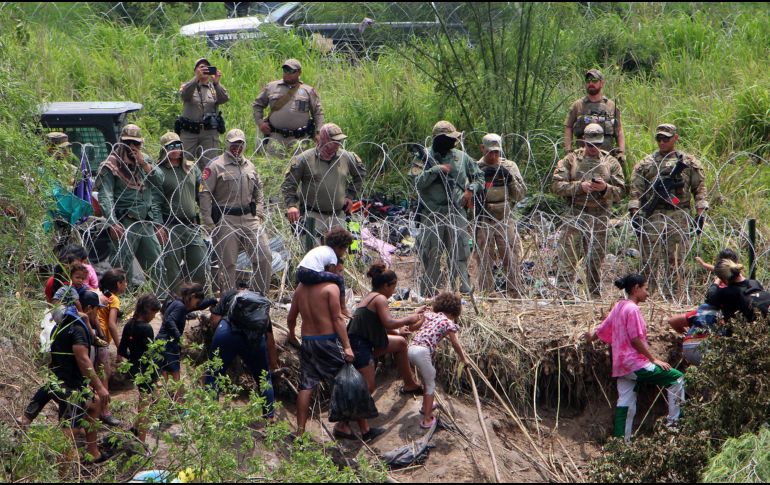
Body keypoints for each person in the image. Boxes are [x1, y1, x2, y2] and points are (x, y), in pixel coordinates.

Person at [584, 274, 684, 442]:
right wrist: (653, 359)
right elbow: (635, 339)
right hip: (634, 364)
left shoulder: (618, 307)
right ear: (636, 288)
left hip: (620, 366)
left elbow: (602, 329)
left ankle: (621, 444)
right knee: (676, 378)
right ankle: (674, 424)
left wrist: (590, 338)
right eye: (646, 289)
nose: (648, 293)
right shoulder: (633, 309)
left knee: (626, 402)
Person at [287, 275, 384, 442]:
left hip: (308, 341)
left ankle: (300, 434)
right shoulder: (330, 288)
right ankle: (365, 431)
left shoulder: (301, 288)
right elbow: (338, 318)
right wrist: (347, 346)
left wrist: (291, 335)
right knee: (350, 382)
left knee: (306, 386)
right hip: (328, 341)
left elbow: (291, 318)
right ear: (328, 268)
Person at [18, 291, 110, 462]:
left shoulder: (62, 326)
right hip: (72, 390)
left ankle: (93, 453)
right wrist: (99, 386)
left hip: (55, 382)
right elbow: (83, 359)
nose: (97, 313)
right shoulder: (77, 329)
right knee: (68, 435)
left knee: (95, 403)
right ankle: (63, 472)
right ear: (89, 308)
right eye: (97, 309)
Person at [629, 123, 708, 297]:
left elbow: (699, 189)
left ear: (675, 138)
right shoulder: (646, 164)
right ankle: (646, 294)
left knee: (676, 259)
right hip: (653, 214)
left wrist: (700, 213)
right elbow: (636, 191)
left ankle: (673, 295)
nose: (662, 141)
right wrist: (635, 213)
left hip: (679, 213)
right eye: (659, 138)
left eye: (666, 138)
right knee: (649, 259)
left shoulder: (688, 162)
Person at [410, 120, 484, 297]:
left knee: (459, 253)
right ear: (439, 139)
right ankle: (430, 294)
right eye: (449, 139)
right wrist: (435, 170)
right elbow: (417, 183)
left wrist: (470, 190)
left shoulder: (461, 156)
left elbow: (479, 177)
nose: (454, 142)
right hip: (432, 214)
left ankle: (462, 292)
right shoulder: (422, 157)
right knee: (431, 255)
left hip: (456, 212)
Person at [552, 123, 625, 298]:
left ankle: (592, 295)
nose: (594, 148)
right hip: (575, 214)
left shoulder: (611, 162)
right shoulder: (570, 160)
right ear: (583, 141)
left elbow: (621, 191)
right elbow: (556, 185)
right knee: (568, 257)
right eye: (590, 144)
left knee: (595, 260)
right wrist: (579, 187)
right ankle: (564, 296)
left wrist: (605, 188)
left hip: (600, 217)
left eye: (598, 145)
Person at [96, 124, 168, 296]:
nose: (132, 147)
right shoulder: (111, 165)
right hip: (125, 222)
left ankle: (162, 299)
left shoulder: (145, 161)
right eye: (128, 143)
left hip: (145, 222)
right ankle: (122, 303)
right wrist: (112, 223)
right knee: (122, 267)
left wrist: (142, 163)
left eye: (136, 144)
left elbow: (160, 181)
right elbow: (105, 196)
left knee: (156, 263)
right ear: (121, 143)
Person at [199, 128, 272, 294]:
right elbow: (204, 194)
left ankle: (259, 296)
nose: (237, 147)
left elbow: (258, 190)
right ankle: (228, 298)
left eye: (240, 143)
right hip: (226, 219)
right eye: (233, 144)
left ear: (244, 144)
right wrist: (208, 221)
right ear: (227, 144)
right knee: (228, 263)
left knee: (264, 256)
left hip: (249, 217)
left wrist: (259, 211)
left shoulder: (250, 166)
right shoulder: (215, 166)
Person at [281, 123, 366, 252]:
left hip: (338, 215)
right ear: (324, 139)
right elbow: (289, 184)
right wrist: (292, 205)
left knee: (340, 254)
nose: (338, 144)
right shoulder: (304, 159)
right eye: (334, 141)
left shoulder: (346, 157)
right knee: (314, 254)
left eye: (340, 141)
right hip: (313, 216)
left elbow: (360, 175)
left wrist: (350, 196)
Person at [349, 262, 425, 394]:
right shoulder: (380, 299)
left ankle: (410, 384)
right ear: (386, 286)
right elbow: (388, 322)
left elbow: (378, 325)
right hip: (360, 346)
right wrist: (409, 318)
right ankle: (356, 410)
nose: (394, 291)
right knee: (369, 387)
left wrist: (397, 332)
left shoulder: (370, 296)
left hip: (364, 342)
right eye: (393, 287)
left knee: (401, 343)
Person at [204, 287, 279, 417]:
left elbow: (215, 320)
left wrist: (216, 340)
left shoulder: (229, 295)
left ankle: (209, 419)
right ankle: (270, 422)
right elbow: (270, 341)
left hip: (227, 333)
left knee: (214, 376)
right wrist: (273, 364)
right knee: (264, 379)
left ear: (239, 289)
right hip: (253, 340)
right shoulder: (259, 310)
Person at [153, 132, 209, 292]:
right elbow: (155, 201)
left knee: (200, 263)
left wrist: (208, 216)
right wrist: (158, 226)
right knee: (172, 268)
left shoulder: (191, 167)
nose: (176, 149)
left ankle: (197, 299)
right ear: (164, 149)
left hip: (191, 224)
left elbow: (202, 192)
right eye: (171, 146)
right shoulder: (159, 171)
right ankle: (176, 301)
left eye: (178, 145)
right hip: (171, 226)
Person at [473, 133, 527, 295]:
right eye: (490, 152)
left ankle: (515, 292)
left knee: (510, 255)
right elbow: (466, 195)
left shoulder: (509, 166)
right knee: (484, 257)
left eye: (497, 152)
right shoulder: (475, 167)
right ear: (483, 149)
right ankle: (487, 294)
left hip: (504, 217)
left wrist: (509, 179)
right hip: (483, 217)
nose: (494, 155)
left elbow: (520, 195)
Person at [407, 292, 469, 429]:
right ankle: (427, 419)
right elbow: (455, 343)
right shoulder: (449, 323)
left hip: (411, 349)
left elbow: (413, 328)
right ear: (454, 312)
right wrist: (464, 359)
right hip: (422, 352)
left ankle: (425, 406)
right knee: (430, 384)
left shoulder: (430, 315)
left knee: (425, 378)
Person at [668, 249, 738, 365]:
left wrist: (688, 334)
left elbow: (672, 321)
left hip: (690, 346)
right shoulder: (734, 285)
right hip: (712, 346)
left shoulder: (701, 312)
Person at [156, 283, 217, 401]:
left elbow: (196, 307)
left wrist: (212, 300)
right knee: (175, 374)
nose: (198, 305)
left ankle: (160, 404)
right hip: (169, 343)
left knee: (164, 372)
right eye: (197, 301)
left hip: (161, 341)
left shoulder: (179, 303)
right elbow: (169, 321)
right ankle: (179, 403)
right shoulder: (181, 307)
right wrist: (179, 337)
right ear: (192, 296)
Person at [253, 58, 324, 156]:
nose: (287, 73)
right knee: (274, 167)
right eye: (285, 70)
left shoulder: (308, 91)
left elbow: (317, 112)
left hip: (300, 140)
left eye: (291, 71)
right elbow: (257, 105)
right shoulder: (271, 87)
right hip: (276, 138)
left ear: (299, 73)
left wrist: (319, 132)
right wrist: (260, 123)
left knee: (299, 168)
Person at [117, 294, 163, 443]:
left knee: (147, 400)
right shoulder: (146, 328)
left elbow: (122, 350)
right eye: (154, 314)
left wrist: (133, 356)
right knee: (145, 407)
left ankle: (135, 429)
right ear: (148, 311)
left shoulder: (129, 325)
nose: (154, 317)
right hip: (146, 370)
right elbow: (151, 352)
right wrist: (157, 374)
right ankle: (141, 442)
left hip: (135, 368)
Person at [177, 58, 229, 170]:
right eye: (201, 67)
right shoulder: (188, 86)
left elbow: (224, 99)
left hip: (209, 133)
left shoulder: (214, 88)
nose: (204, 70)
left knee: (209, 166)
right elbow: (184, 95)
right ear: (195, 70)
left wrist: (217, 83)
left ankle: (205, 187)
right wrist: (196, 78)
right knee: (185, 163)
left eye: (207, 68)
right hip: (189, 132)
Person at [564, 68, 626, 162]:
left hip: (606, 160)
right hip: (582, 159)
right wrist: (568, 150)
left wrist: (621, 151)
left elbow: (619, 130)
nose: (591, 83)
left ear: (601, 83)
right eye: (588, 81)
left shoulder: (611, 106)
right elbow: (568, 127)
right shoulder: (578, 105)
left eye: (594, 80)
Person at [95, 268, 128, 426]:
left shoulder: (102, 294)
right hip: (101, 340)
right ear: (118, 284)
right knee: (104, 375)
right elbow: (112, 325)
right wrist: (120, 348)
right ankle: (104, 411)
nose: (126, 284)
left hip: (93, 337)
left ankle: (94, 410)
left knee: (96, 374)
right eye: (124, 282)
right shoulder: (113, 299)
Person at [296, 227, 355, 315]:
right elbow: (332, 272)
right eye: (345, 249)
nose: (344, 252)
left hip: (299, 271)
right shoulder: (333, 256)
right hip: (311, 272)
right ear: (339, 247)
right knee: (339, 279)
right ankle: (343, 308)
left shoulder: (322, 249)